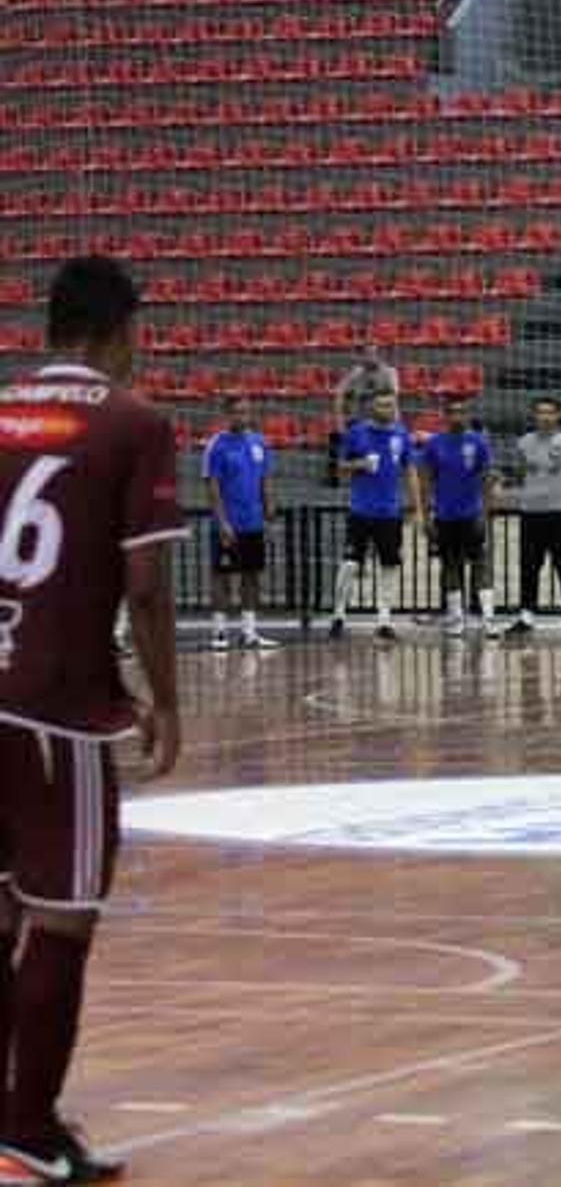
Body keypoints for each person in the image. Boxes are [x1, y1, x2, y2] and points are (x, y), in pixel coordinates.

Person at [0, 257, 184, 1183]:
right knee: (62, 917)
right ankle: (28, 1127)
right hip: (55, 707)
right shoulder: (132, 421)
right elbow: (146, 587)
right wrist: (165, 701)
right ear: (120, 329)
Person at [330, 389, 420, 642]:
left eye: (390, 405)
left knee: (389, 564)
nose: (386, 410)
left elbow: (410, 469)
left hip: (390, 512)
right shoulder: (356, 433)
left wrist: (416, 506)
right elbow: (339, 470)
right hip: (360, 510)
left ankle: (384, 620)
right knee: (349, 564)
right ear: (371, 407)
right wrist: (358, 465)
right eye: (381, 406)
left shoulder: (401, 434)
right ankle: (338, 615)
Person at [416, 399, 499, 638]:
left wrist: (485, 513)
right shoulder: (434, 444)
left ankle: (488, 619)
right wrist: (427, 514)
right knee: (450, 565)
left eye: (461, 412)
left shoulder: (479, 442)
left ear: (468, 414)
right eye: (452, 412)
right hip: (444, 516)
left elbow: (488, 480)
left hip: (472, 515)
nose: (457, 416)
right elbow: (425, 481)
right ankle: (456, 618)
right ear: (445, 415)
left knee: (480, 564)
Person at [202, 393, 278, 652]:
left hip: (253, 522)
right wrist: (222, 522)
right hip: (228, 523)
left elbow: (265, 478)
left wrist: (269, 510)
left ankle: (249, 631)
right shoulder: (217, 445)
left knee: (252, 575)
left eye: (246, 411)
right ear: (227, 415)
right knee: (222, 576)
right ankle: (220, 631)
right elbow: (212, 486)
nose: (242, 417)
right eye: (237, 412)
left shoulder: (259, 443)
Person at [509, 397, 561, 640]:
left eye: (549, 413)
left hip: (559, 514)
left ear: (558, 416)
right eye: (540, 412)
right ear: (534, 416)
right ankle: (526, 616)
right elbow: (519, 472)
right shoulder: (523, 444)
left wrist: (558, 493)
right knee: (529, 566)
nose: (545, 417)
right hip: (531, 514)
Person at [329, 341, 399, 487]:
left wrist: (395, 423)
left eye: (373, 354)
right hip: (358, 422)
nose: (370, 357)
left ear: (380, 355)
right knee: (336, 437)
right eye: (367, 354)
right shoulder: (356, 373)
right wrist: (340, 422)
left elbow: (394, 399)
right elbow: (339, 394)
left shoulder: (389, 373)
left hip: (379, 422)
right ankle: (338, 481)